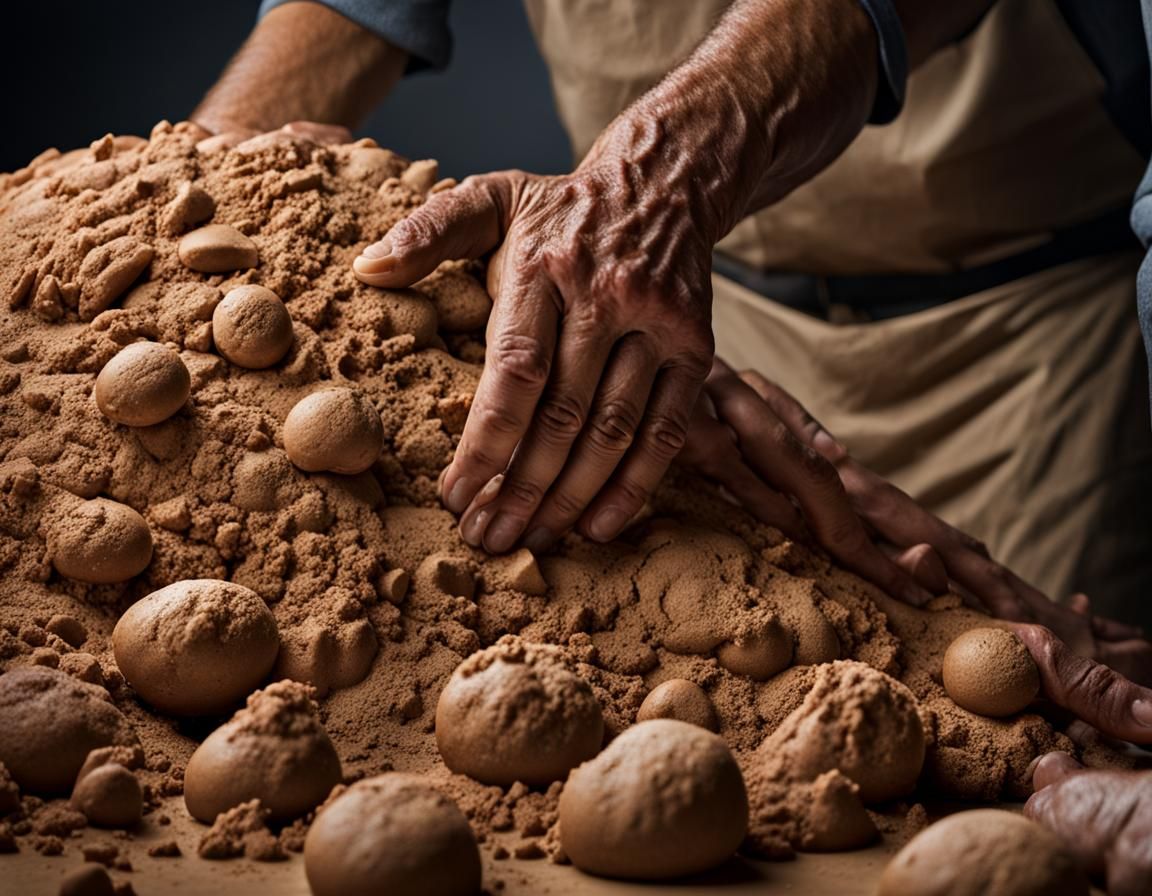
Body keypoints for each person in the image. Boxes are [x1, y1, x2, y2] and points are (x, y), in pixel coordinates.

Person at [192, 0, 1152, 880]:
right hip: (682, 297)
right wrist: (208, 170)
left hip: (1023, 327)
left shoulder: (664, 193)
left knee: (1027, 737)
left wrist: (668, 167)